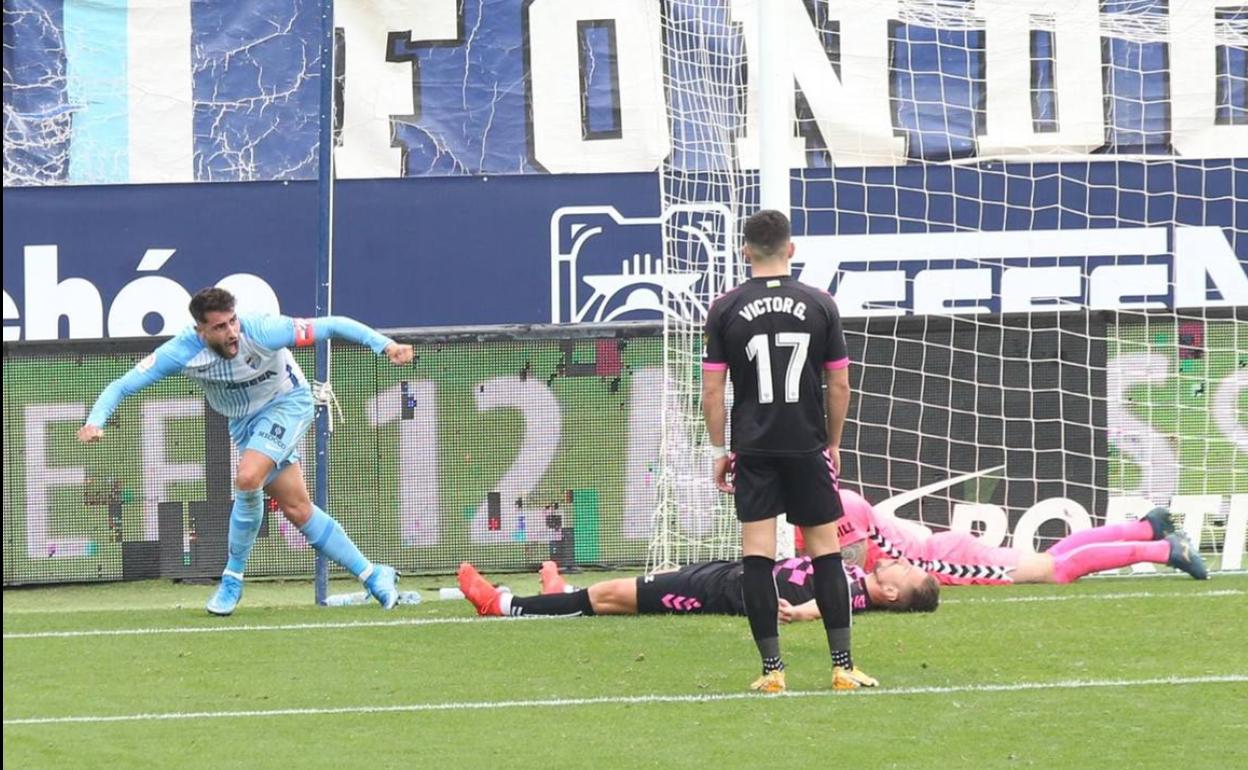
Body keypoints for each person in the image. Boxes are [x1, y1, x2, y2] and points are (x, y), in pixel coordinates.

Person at [77, 287, 414, 615]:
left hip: (288, 404)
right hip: (243, 424)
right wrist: (95, 420)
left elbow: (332, 324)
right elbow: (122, 385)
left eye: (233, 321)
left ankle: (232, 578)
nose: (232, 332)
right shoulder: (181, 351)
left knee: (248, 477)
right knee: (298, 509)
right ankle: (373, 573)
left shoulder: (264, 330)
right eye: (220, 327)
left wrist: (384, 345)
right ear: (201, 331)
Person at [701, 209, 870, 693]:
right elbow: (839, 383)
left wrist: (720, 449)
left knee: (756, 555)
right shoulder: (820, 304)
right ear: (791, 250)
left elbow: (712, 392)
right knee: (825, 552)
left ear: (745, 252)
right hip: (806, 444)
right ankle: (841, 667)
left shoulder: (725, 308)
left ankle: (773, 671)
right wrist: (833, 442)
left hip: (754, 448)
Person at [830, 490, 1209, 585]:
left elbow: (847, 571)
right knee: (1053, 556)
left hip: (944, 564)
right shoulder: (825, 502)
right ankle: (1146, 528)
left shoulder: (838, 504)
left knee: (1057, 570)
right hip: (942, 553)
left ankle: (1164, 549)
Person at [455, 556, 940, 620]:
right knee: (613, 591)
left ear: (894, 595)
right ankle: (561, 591)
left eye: (907, 573)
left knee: (608, 600)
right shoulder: (859, 575)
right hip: (735, 574)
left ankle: (503, 604)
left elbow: (825, 608)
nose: (900, 563)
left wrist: (803, 613)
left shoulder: (857, 596)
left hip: (724, 594)